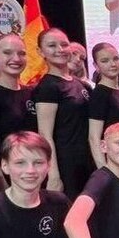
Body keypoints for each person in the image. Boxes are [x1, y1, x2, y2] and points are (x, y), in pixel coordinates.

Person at [33, 28, 93, 198]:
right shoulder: (48, 87)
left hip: (87, 161)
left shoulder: (81, 85)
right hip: (66, 164)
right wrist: (53, 175)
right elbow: (45, 134)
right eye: (52, 45)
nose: (60, 49)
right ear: (40, 51)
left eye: (64, 44)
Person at [0, 34, 37, 162]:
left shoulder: (32, 93)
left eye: (21, 53)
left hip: (35, 168)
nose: (16, 58)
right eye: (7, 53)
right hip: (7, 170)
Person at [87, 42, 119, 168]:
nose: (112, 64)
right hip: (111, 161)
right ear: (96, 66)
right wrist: (104, 170)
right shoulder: (99, 94)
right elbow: (94, 137)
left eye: (115, 59)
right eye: (105, 61)